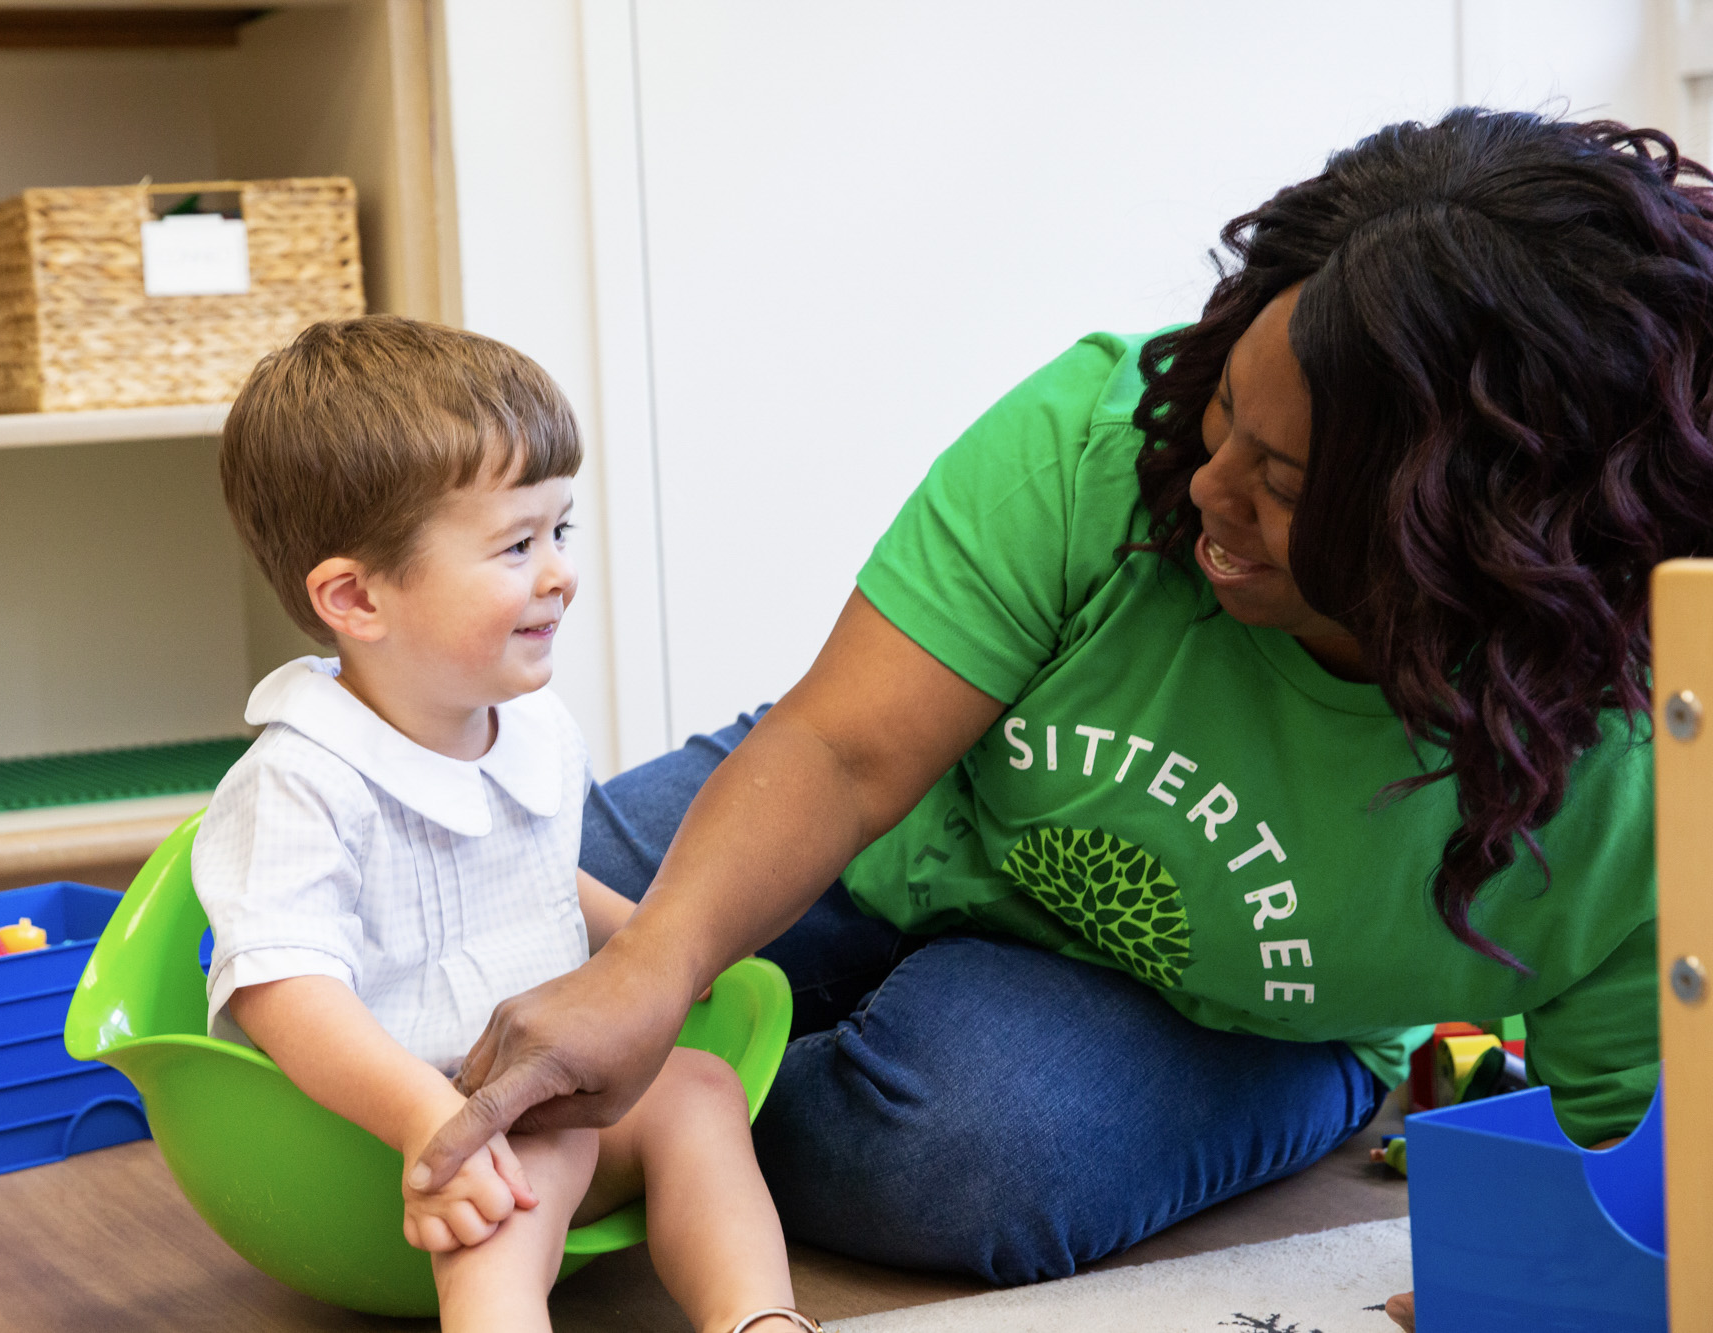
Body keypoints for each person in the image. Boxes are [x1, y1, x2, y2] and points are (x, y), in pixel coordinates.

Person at [412, 110, 1713, 1331]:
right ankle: (728, 1045)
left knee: (948, 1158)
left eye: (1283, 480)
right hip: (910, 810)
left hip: (1230, 1017)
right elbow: (843, 748)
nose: (1206, 485)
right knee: (455, 943)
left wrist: (1548, 1278)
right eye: (1222, 416)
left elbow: (1632, 1166)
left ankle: (717, 1080)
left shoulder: (1636, 768)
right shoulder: (1104, 429)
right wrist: (648, 972)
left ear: (1478, 541)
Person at [193, 317, 821, 1333]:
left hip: (542, 1083)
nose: (559, 572)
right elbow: (280, 990)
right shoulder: (300, 781)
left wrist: (643, 940)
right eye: (515, 546)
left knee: (697, 1087)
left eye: (559, 532)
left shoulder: (523, 723)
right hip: (402, 1126)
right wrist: (426, 1117)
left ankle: (758, 1320)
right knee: (507, 1203)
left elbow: (529, 873)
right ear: (355, 596)